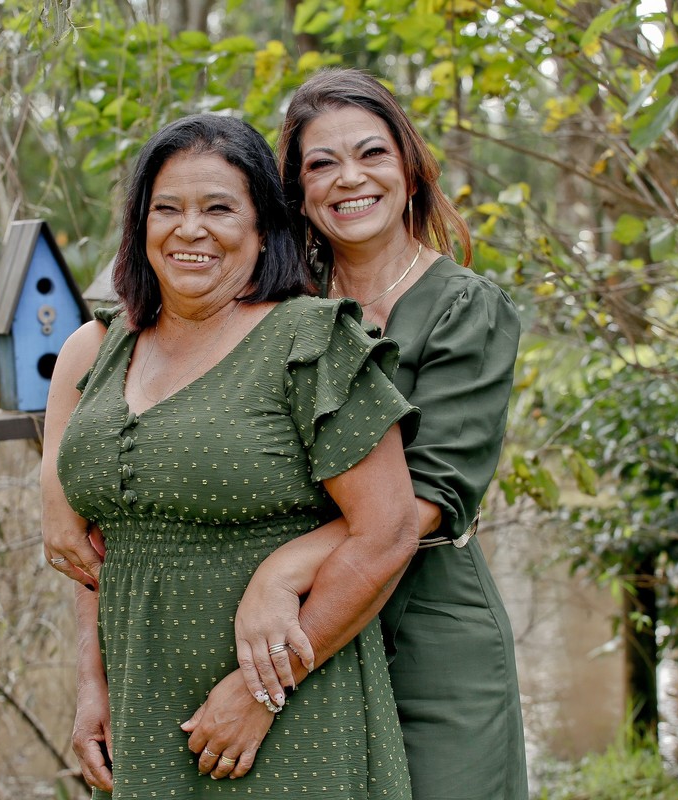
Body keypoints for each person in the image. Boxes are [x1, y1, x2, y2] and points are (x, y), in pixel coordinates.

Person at [40, 112, 423, 798]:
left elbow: (388, 532)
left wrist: (260, 691)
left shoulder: (311, 341)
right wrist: (91, 684)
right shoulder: (94, 350)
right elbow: (94, 551)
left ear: (263, 227)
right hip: (142, 712)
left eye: (218, 208)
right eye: (167, 209)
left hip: (291, 717)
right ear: (140, 224)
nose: (190, 230)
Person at [231, 69, 529, 800]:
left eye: (372, 154)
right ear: (297, 191)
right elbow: (138, 329)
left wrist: (279, 573)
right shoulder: (279, 305)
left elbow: (424, 501)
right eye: (321, 164)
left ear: (410, 168)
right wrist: (57, 481)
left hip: (430, 631)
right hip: (300, 623)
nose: (350, 179)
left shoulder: (465, 308)